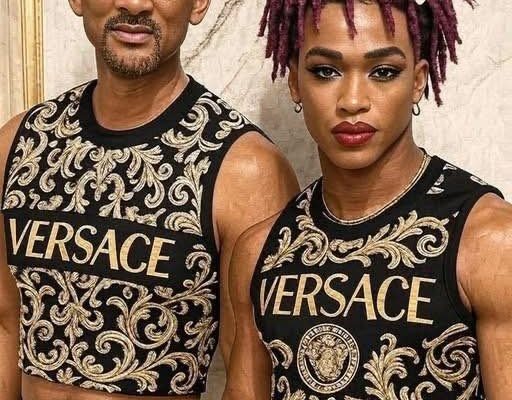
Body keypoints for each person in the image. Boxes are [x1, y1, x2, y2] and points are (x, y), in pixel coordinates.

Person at [0, 1, 299, 399]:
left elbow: (254, 382)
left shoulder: (246, 170)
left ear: (199, 4)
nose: (136, 3)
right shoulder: (20, 143)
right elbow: (5, 325)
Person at [224, 0, 512, 399]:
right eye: (325, 71)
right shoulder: (260, 251)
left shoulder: (490, 241)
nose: (353, 100)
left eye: (383, 72)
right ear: (295, 82)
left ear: (417, 81)